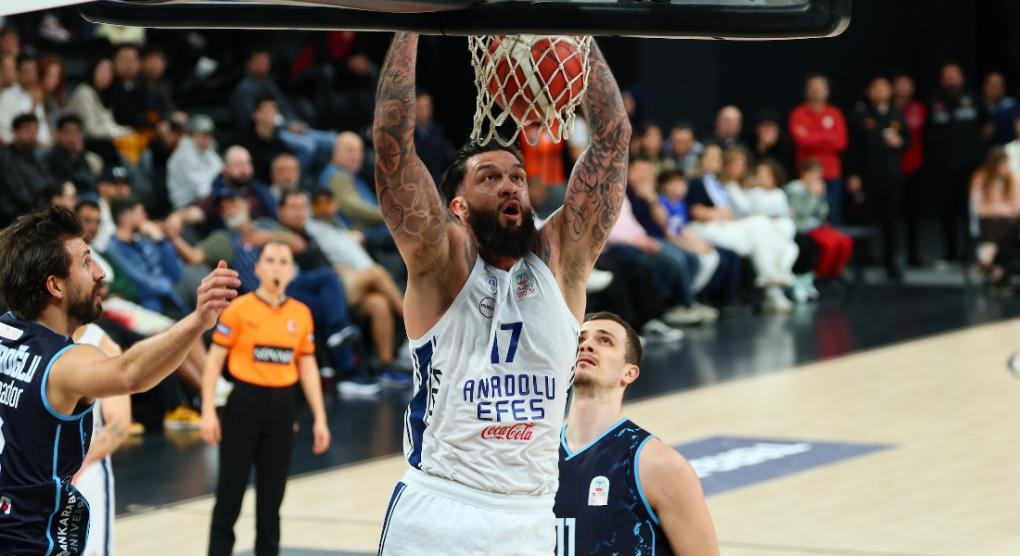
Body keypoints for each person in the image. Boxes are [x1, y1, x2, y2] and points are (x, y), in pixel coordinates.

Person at [373, 33, 629, 554]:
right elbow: (392, 149)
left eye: (517, 176)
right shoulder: (440, 266)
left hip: (530, 515)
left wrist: (578, 32)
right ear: (458, 207)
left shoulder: (560, 263)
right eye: (488, 178)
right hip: (440, 505)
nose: (510, 185)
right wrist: (408, 25)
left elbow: (612, 139)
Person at [0, 206, 239, 554]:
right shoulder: (63, 363)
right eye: (86, 263)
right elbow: (130, 373)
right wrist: (199, 320)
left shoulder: (6, 330)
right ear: (55, 286)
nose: (100, 273)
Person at [200, 241, 331, 556]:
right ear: (258, 268)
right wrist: (207, 410)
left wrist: (320, 418)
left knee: (271, 501)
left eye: (283, 262)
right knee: (229, 495)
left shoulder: (301, 314)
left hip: (282, 408)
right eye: (270, 260)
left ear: (291, 271)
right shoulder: (238, 310)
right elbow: (214, 362)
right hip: (243, 406)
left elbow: (308, 367)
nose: (276, 267)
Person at [554, 312, 719, 556]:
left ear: (629, 373)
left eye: (605, 340)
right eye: (580, 339)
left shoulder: (660, 465)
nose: (586, 345)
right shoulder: (538, 453)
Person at [71, 324, 131, 556]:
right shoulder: (24, 333)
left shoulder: (101, 344)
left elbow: (119, 424)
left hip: (85, 469)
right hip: (29, 470)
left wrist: (79, 462)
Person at [847, 76, 910, 280]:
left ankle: (890, 261)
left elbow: (908, 141)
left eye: (884, 86)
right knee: (866, 218)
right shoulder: (861, 116)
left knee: (891, 221)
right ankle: (862, 262)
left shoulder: (896, 115)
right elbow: (854, 148)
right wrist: (854, 174)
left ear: (890, 91)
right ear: (869, 92)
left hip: (892, 176)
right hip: (868, 176)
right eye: (876, 87)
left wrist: (899, 142)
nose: (880, 90)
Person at [928, 62, 983, 264]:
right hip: (945, 166)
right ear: (941, 79)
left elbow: (987, 125)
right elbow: (930, 131)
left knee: (970, 211)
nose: (951, 79)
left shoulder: (974, 98)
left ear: (962, 77)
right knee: (947, 211)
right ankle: (950, 252)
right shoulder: (935, 100)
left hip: (971, 166)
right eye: (947, 75)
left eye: (954, 75)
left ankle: (970, 254)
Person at [789, 73, 848, 225]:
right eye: (812, 87)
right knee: (804, 216)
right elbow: (801, 141)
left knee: (833, 216)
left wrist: (811, 135)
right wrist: (827, 135)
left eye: (820, 87)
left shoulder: (835, 114)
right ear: (806, 91)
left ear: (827, 91)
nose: (816, 90)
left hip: (831, 173)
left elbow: (841, 143)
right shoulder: (798, 114)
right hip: (806, 174)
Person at [785, 159, 855, 285]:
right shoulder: (794, 189)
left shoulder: (817, 187)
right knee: (830, 244)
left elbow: (823, 213)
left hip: (818, 226)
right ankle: (820, 276)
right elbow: (802, 212)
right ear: (804, 173)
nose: (817, 176)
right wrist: (813, 195)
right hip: (801, 228)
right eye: (814, 173)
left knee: (846, 242)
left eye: (819, 173)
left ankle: (835, 274)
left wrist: (821, 196)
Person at [969, 147, 1020, 292]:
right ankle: (999, 278)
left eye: (1006, 163)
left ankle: (985, 260)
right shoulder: (980, 178)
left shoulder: (1014, 178)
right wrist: (1000, 209)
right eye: (1002, 163)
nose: (1005, 167)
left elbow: (1017, 207)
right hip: (989, 222)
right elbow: (979, 207)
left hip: (1010, 222)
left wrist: (999, 210)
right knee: (997, 229)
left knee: (1000, 227)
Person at [892, 72, 926, 267]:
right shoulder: (888, 110)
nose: (903, 88)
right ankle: (889, 257)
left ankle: (913, 254)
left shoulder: (919, 109)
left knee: (913, 215)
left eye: (907, 84)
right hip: (892, 168)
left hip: (915, 167)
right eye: (900, 84)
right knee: (891, 215)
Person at [0, 112, 53, 227]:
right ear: (16, 132)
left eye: (35, 131)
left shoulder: (36, 156)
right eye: (27, 130)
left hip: (38, 209)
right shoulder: (6, 158)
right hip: (14, 216)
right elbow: (23, 196)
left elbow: (50, 182)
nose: (32, 135)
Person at [167, 114, 223, 210]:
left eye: (210, 135)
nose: (208, 139)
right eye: (204, 135)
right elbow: (202, 189)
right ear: (192, 135)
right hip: (186, 205)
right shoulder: (183, 155)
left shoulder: (208, 151)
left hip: (207, 198)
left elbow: (221, 172)